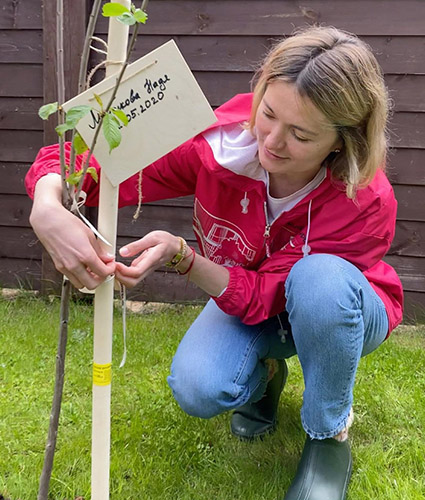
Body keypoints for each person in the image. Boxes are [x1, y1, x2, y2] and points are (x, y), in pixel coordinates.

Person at [26, 26, 403, 500]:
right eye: (267, 113)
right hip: (247, 300)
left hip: (338, 309)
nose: (271, 141)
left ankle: (329, 435)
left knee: (319, 280)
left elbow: (272, 292)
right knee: (199, 387)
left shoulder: (363, 199)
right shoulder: (219, 150)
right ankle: (265, 376)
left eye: (301, 134)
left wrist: (186, 258)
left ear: (341, 142)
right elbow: (87, 161)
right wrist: (47, 202)